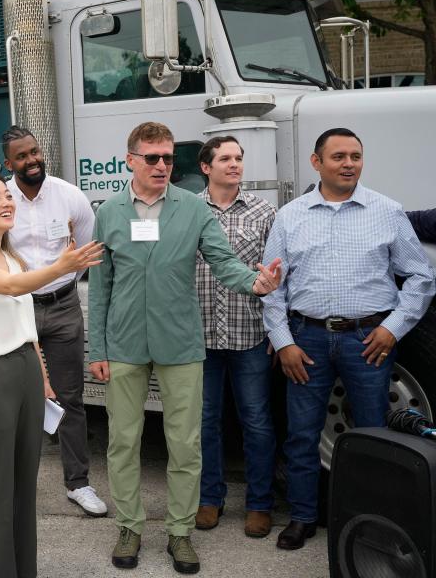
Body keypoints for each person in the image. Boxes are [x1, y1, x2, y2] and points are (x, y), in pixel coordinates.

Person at [87, 122, 282, 575]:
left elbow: (224, 262)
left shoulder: (193, 211)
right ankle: (130, 525)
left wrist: (258, 283)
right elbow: (100, 288)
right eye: (152, 157)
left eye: (168, 158)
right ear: (130, 159)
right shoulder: (110, 212)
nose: (161, 165)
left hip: (180, 344)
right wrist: (98, 348)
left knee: (185, 443)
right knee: (123, 441)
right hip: (125, 344)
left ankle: (179, 531)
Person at [262, 127, 435, 551]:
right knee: (302, 435)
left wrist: (392, 328)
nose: (349, 163)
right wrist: (284, 342)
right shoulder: (291, 216)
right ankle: (303, 517)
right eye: (338, 156)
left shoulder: (386, 211)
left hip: (368, 342)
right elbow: (271, 286)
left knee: (374, 437)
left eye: (355, 156)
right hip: (309, 341)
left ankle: (375, 523)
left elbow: (420, 276)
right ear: (316, 162)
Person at [0, 173, 103, 577]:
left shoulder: (14, 258)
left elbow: (29, 329)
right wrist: (61, 266)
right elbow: (12, 288)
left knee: (23, 487)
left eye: (7, 196)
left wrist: (43, 377)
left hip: (27, 371)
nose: (6, 202)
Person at [1, 125, 106, 517]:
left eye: (35, 152)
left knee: (70, 398)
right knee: (13, 399)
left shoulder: (69, 196)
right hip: (16, 307)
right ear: (8, 163)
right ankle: (11, 485)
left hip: (62, 308)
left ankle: (78, 484)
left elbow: (86, 250)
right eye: (23, 156)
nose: (32, 160)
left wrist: (62, 287)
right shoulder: (0, 198)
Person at [192, 137, 278, 538]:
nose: (235, 164)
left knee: (257, 422)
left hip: (250, 335)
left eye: (239, 158)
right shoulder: (187, 210)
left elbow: (279, 279)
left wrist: (278, 333)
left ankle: (260, 504)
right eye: (225, 158)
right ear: (206, 167)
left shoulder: (264, 212)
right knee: (205, 422)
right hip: (200, 336)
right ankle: (210, 498)